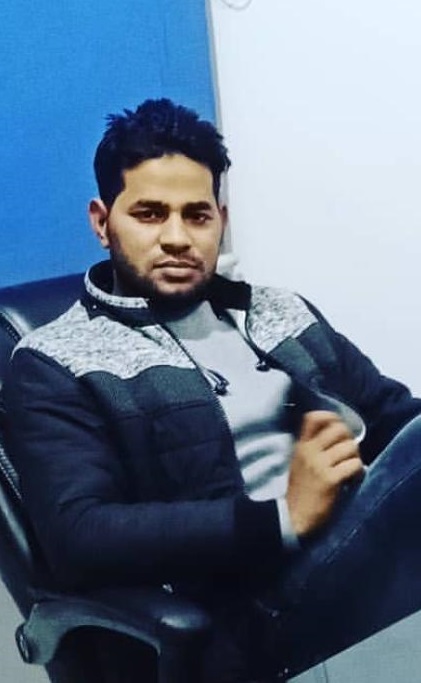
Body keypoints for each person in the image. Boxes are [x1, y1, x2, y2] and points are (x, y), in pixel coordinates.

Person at [5, 98, 421, 683]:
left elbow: (392, 416)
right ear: (102, 222)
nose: (177, 237)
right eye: (150, 214)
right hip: (253, 614)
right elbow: (81, 535)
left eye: (197, 216)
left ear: (220, 219)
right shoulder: (55, 360)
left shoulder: (280, 311)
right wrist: (283, 516)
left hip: (367, 553)